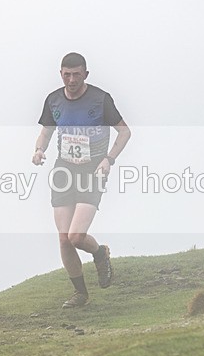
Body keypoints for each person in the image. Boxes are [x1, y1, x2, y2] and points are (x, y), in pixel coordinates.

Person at [32, 53, 131, 308]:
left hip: (92, 171)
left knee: (76, 236)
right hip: (64, 171)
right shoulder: (53, 100)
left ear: (86, 74)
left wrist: (109, 159)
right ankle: (80, 294)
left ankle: (100, 254)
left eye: (77, 74)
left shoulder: (100, 99)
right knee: (64, 238)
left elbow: (124, 132)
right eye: (67, 74)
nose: (72, 79)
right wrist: (39, 150)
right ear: (61, 74)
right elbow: (46, 132)